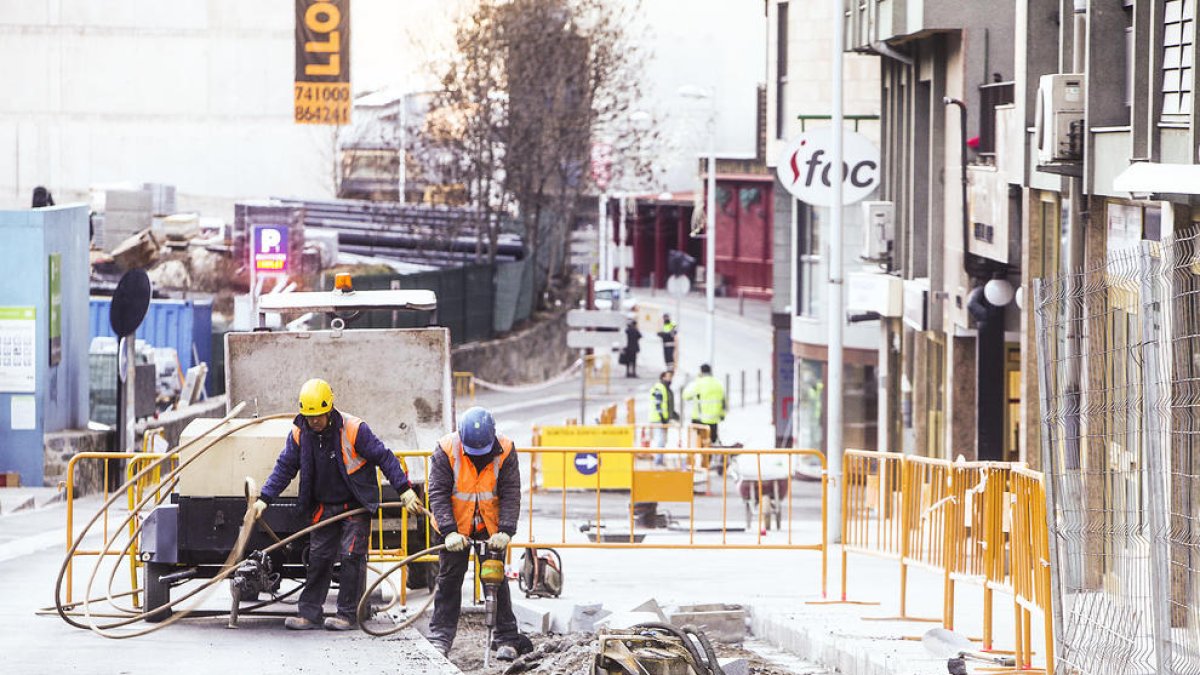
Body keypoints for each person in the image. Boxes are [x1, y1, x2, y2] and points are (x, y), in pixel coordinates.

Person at [254, 378, 421, 631]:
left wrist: (404, 490)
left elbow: (384, 458)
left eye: (318, 417)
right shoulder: (300, 433)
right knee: (318, 557)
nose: (314, 422)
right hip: (324, 506)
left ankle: (348, 614)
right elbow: (285, 467)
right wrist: (264, 498)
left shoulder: (354, 430)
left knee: (352, 556)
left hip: (354, 505)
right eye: (309, 417)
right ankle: (309, 614)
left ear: (329, 409)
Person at [427, 406, 522, 661]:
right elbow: (437, 493)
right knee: (449, 581)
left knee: (495, 579)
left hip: (490, 528)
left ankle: (506, 637)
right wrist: (449, 532)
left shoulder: (505, 449)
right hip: (455, 528)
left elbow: (511, 492)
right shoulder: (446, 450)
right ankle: (440, 636)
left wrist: (506, 530)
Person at [683, 363, 726, 445]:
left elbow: (686, 396)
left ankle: (701, 452)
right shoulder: (718, 383)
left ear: (701, 372)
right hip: (714, 420)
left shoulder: (698, 383)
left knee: (700, 443)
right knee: (711, 442)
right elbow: (723, 402)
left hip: (699, 419)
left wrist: (697, 379)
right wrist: (722, 415)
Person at [649, 370, 679, 451]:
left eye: (671, 377)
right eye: (668, 376)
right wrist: (661, 416)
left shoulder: (667, 389)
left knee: (663, 441)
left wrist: (673, 415)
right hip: (658, 419)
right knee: (660, 441)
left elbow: (668, 405)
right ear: (663, 377)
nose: (670, 379)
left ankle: (660, 457)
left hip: (664, 419)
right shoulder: (660, 388)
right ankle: (658, 458)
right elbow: (658, 403)